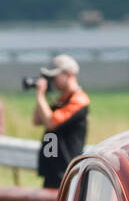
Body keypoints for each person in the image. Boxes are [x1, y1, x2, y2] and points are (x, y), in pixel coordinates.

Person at [33, 54, 90, 190]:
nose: (52, 81)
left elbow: (51, 122)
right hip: (52, 170)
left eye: (55, 77)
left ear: (69, 75)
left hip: (66, 171)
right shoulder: (61, 100)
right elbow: (37, 120)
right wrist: (42, 97)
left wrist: (40, 95)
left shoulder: (79, 101)